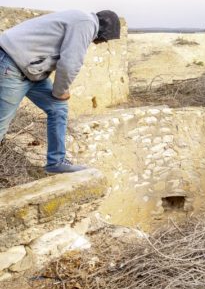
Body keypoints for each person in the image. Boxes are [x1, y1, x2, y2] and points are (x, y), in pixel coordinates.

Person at [0, 10, 120, 173]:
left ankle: (56, 162)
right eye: (105, 39)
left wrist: (58, 95)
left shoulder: (81, 20)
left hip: (31, 69)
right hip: (11, 64)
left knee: (58, 108)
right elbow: (70, 63)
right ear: (105, 29)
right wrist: (60, 91)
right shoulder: (87, 23)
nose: (101, 42)